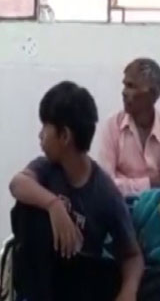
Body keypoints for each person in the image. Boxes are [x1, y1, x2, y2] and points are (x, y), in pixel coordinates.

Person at [9, 81, 143, 301]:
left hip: (79, 280)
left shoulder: (105, 192)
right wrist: (54, 205)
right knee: (28, 210)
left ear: (64, 136)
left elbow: (132, 255)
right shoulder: (46, 168)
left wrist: (129, 291)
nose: (40, 135)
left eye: (45, 127)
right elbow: (17, 183)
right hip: (42, 278)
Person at [98, 58, 160, 196]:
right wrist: (151, 183)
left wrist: (123, 182)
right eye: (125, 85)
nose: (124, 92)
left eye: (131, 86)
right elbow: (104, 186)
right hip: (119, 206)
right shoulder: (113, 126)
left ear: (153, 94)